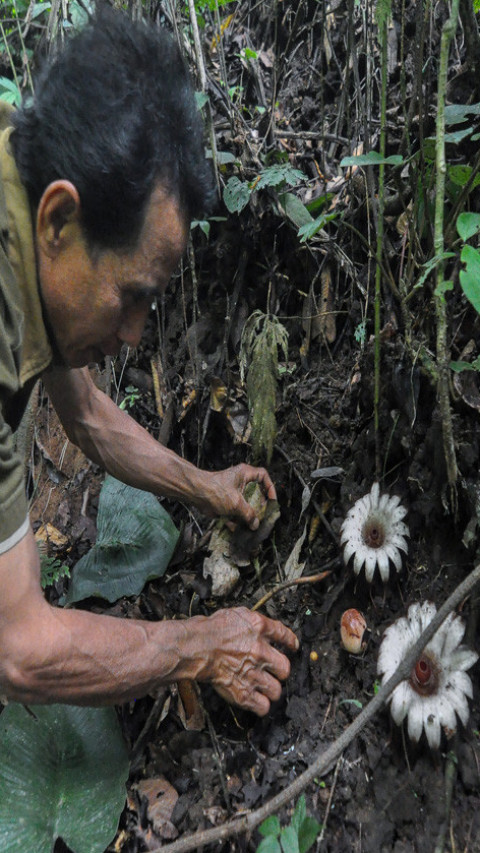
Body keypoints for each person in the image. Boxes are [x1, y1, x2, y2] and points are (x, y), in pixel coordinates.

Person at [0, 5, 298, 716]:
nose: (135, 334)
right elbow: (20, 648)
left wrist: (205, 486)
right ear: (59, 220)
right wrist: (200, 644)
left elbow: (90, 416)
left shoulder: (23, 159)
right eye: (130, 296)